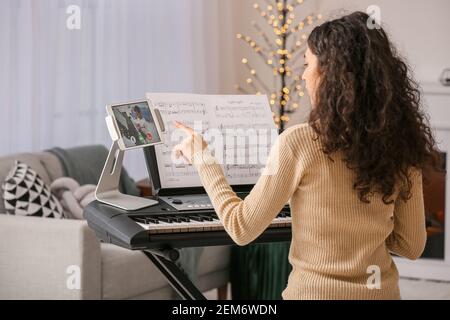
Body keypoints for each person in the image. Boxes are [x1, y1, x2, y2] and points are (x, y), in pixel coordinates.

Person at [173, 11, 442, 300]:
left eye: (307, 64)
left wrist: (202, 157)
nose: (302, 75)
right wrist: (364, 229)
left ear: (331, 74)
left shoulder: (298, 143)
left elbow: (241, 227)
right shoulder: (401, 146)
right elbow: (411, 246)